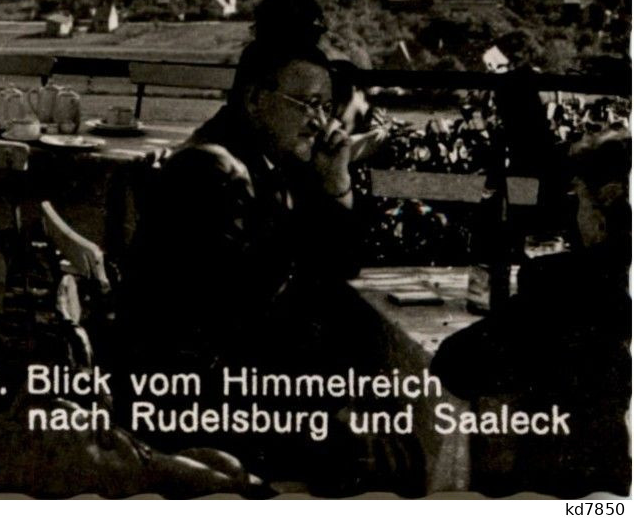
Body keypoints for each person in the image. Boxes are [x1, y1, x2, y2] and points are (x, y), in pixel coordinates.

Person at [117, 40, 407, 491]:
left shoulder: (262, 159)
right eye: (306, 103)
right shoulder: (212, 172)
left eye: (326, 106)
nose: (320, 121)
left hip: (226, 374)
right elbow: (240, 308)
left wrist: (336, 182)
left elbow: (340, 262)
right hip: (197, 397)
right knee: (382, 446)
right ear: (255, 99)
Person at [431, 129, 632, 497]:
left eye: (582, 201)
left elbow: (454, 362)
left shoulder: (560, 284)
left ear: (601, 219)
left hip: (572, 489)